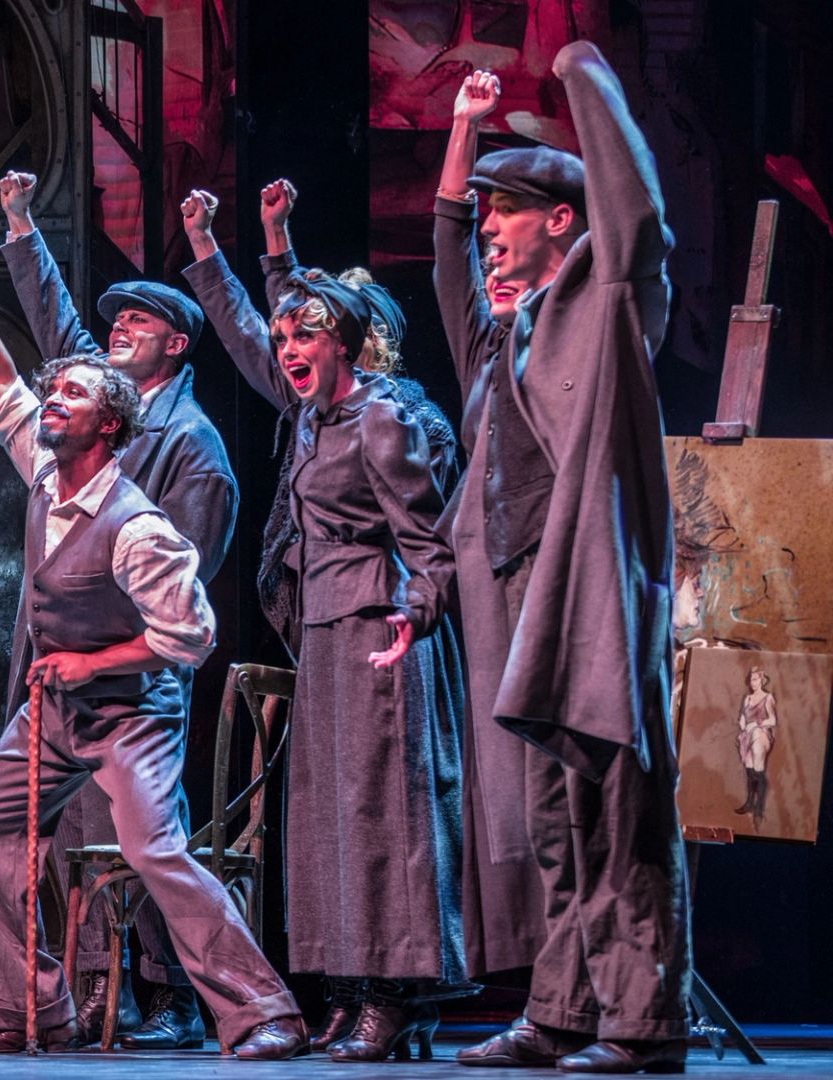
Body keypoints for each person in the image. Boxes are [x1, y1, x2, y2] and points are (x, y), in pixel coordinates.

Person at [0, 232, 304, 1059]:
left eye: (70, 394)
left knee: (153, 848)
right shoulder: (43, 471)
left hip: (133, 711)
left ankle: (265, 1011)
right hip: (56, 712)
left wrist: (94, 663)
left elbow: (190, 635)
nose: (51, 401)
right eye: (53, 391)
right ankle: (33, 1010)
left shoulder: (137, 526)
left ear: (108, 423)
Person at [434, 45, 690, 1074]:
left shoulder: (608, 302)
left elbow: (640, 221)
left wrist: (585, 75)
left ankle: (642, 1023)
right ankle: (562, 1009)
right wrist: (460, 142)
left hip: (590, 589)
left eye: (507, 210)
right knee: (551, 819)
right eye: (485, 211)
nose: (489, 228)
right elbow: (451, 261)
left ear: (561, 222)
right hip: (517, 595)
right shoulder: (507, 339)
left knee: (616, 806)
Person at [179, 187, 470, 1062]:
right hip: (327, 629)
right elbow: (257, 326)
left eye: (308, 337)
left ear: (348, 340)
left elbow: (431, 540)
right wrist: (244, 244)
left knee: (387, 816)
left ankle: (397, 995)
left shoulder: (386, 417)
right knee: (330, 818)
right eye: (287, 341)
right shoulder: (313, 412)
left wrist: (414, 616)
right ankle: (346, 988)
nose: (289, 351)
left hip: (383, 628)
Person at [0, 170, 236, 1049]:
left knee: (140, 837)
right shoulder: (93, 414)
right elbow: (58, 328)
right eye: (116, 319)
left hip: (134, 672)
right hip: (63, 660)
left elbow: (186, 583)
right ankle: (99, 991)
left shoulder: (193, 443)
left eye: (139, 321)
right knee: (67, 834)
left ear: (176, 345)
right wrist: (21, 229)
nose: (118, 328)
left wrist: (115, 648)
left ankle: (171, 997)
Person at [733, 668, 777, 823]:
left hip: (760, 734)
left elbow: (772, 720)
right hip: (748, 734)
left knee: (758, 770)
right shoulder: (747, 699)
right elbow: (743, 717)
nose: (753, 683)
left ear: (762, 681)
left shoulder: (768, 698)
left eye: (756, 679)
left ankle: (759, 807)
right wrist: (742, 723)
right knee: (749, 770)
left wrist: (756, 724)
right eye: (751, 680)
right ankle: (750, 802)